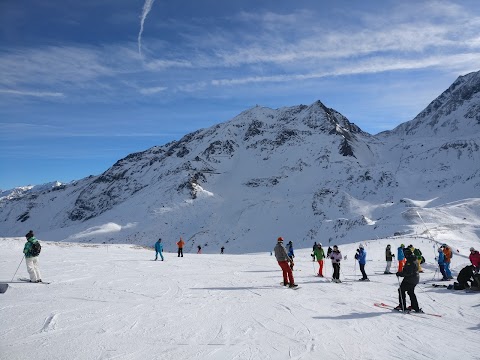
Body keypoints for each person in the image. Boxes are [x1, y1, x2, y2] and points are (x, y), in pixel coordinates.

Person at [395, 247, 422, 313]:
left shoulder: (410, 261)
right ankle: (415, 307)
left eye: (404, 254)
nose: (404, 255)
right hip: (414, 279)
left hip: (410, 279)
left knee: (401, 290)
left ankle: (402, 306)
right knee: (410, 292)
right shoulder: (413, 259)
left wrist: (400, 274)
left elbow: (408, 272)